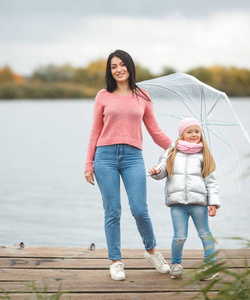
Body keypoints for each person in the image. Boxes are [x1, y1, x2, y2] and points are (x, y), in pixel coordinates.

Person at [84, 49, 172, 281]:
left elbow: (154, 130)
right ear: (109, 71)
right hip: (105, 157)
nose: (118, 69)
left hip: (133, 157)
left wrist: (176, 147)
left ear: (130, 67)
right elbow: (95, 131)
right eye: (113, 66)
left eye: (122, 65)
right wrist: (88, 163)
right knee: (112, 211)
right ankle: (116, 261)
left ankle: (151, 251)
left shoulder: (142, 95)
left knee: (139, 209)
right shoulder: (103, 95)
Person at [148, 118, 220, 280]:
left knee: (205, 234)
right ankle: (176, 264)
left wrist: (213, 202)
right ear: (181, 134)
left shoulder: (204, 155)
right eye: (189, 132)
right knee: (179, 236)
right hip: (177, 203)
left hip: (198, 203)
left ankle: (210, 265)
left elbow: (211, 181)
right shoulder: (172, 152)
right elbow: (162, 171)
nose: (194, 134)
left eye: (197, 131)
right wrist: (155, 172)